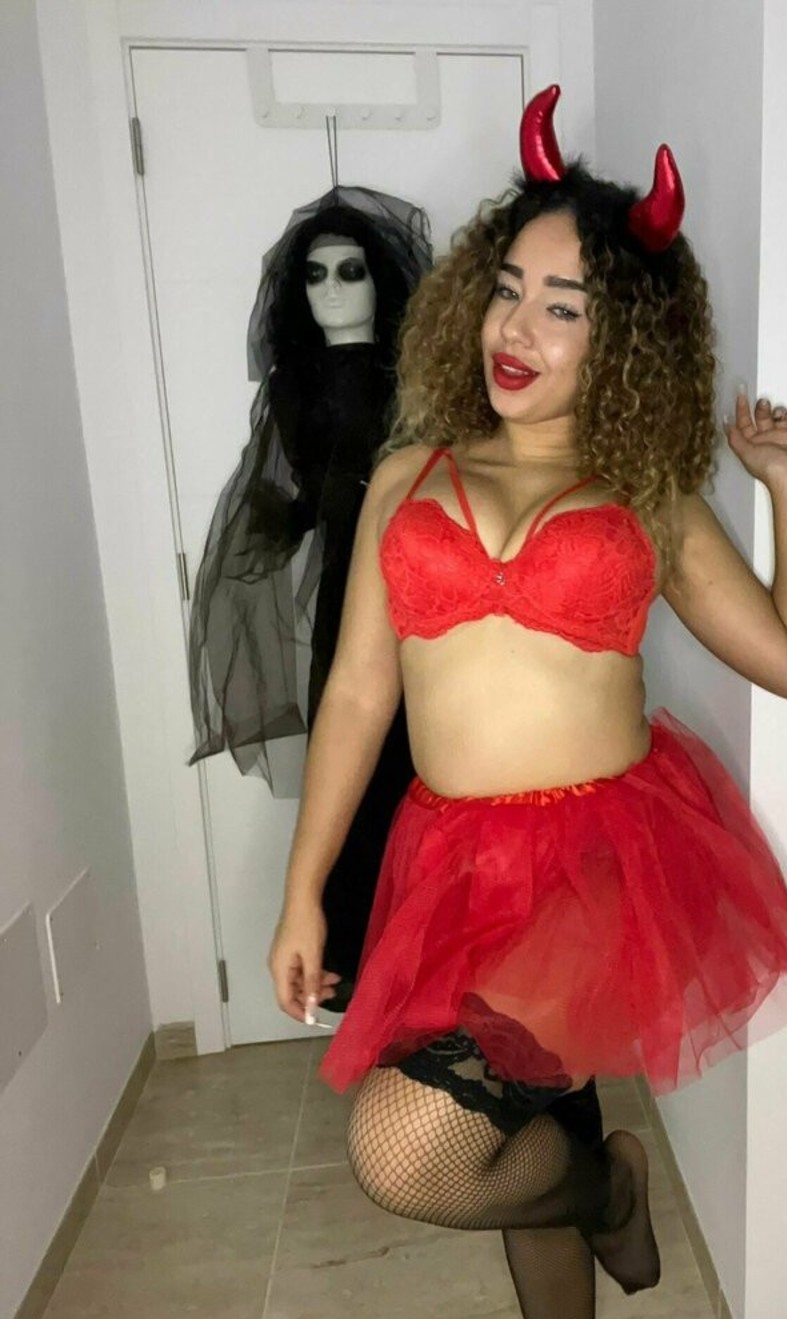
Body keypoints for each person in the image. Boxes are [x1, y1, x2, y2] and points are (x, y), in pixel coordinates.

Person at [269, 87, 787, 1319]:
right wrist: (305, 885)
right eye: (507, 288)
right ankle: (589, 1241)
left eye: (563, 306)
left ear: (620, 338)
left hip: (594, 866)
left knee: (409, 1148)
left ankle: (603, 1192)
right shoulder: (408, 475)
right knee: (531, 1127)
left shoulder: (646, 494)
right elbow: (358, 694)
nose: (515, 327)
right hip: (450, 862)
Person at [185, 186, 431, 1006]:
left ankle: (432, 969)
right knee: (353, 760)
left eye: (351, 271)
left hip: (420, 586)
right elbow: (297, 493)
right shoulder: (293, 387)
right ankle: (365, 965)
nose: (331, 288)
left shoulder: (416, 380)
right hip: (344, 598)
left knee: (422, 758)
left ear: (381, 282)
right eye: (316, 274)